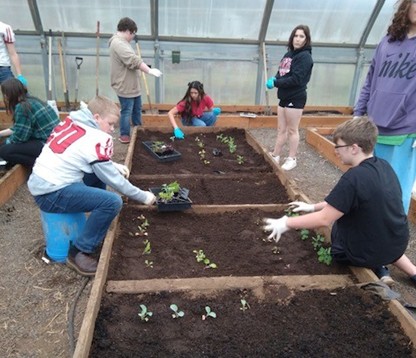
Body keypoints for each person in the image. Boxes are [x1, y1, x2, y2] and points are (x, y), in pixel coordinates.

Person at [263, 117, 416, 286]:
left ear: (354, 148)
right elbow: (346, 201)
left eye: (339, 146)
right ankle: (413, 271)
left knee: (338, 229)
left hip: (365, 253)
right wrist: (312, 206)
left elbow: (324, 219)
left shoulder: (353, 178)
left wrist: (287, 222)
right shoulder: (384, 166)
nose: (336, 150)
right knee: (374, 224)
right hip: (397, 242)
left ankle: (377, 264)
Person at [27, 95, 156, 277]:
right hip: (51, 193)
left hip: (43, 182)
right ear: (96, 117)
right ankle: (78, 252)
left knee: (99, 174)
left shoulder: (74, 121)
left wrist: (112, 165)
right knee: (112, 202)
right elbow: (115, 181)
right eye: (110, 124)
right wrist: (144, 196)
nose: (112, 130)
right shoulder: (96, 137)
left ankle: (96, 217)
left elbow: (82, 154)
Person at [353, 0, 416, 214]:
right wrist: (358, 113)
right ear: (406, 5)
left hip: (405, 132)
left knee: (395, 190)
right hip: (374, 128)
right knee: (369, 185)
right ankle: (367, 235)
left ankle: (392, 244)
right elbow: (370, 80)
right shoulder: (387, 42)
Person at [266, 24, 313, 171]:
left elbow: (296, 79)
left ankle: (292, 158)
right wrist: (274, 79)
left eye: (301, 36)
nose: (297, 39)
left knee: (293, 130)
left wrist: (276, 83)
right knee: (281, 129)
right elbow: (282, 73)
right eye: (296, 36)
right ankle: (276, 155)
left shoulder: (305, 57)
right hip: (284, 97)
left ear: (306, 40)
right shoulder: (288, 55)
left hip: (296, 97)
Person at [109, 17, 162, 144]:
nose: (133, 37)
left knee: (137, 108)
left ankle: (139, 130)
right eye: (133, 34)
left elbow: (133, 62)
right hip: (125, 85)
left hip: (132, 85)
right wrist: (149, 71)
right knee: (127, 110)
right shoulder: (118, 43)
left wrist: (146, 67)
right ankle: (124, 135)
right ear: (128, 31)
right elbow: (133, 60)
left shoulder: (122, 42)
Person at [0, 78, 59, 167]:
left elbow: (20, 138)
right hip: (55, 140)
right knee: (5, 146)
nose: (5, 97)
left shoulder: (22, 107)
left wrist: (6, 143)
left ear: (9, 94)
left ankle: (42, 165)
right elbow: (19, 128)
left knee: (4, 151)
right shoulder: (32, 100)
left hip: (47, 144)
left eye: (4, 94)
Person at [0, 21, 27, 86]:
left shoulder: (4, 28)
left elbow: (13, 53)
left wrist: (19, 75)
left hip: (3, 68)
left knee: (15, 91)